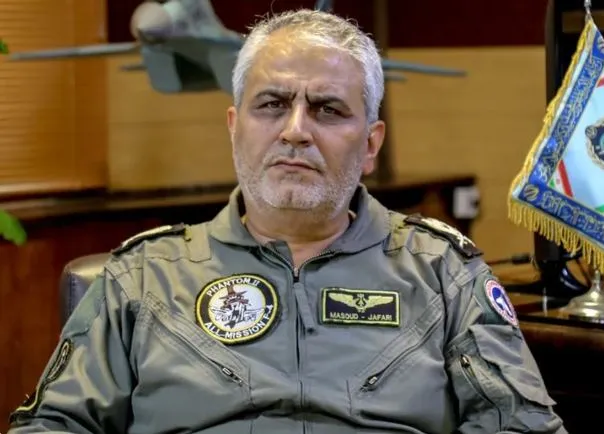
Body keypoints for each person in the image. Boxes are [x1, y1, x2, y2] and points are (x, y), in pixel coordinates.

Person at [8, 8, 566, 434]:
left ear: (371, 145)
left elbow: (522, 424)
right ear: (234, 127)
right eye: (272, 104)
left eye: (328, 109)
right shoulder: (142, 276)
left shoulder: (443, 272)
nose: (296, 130)